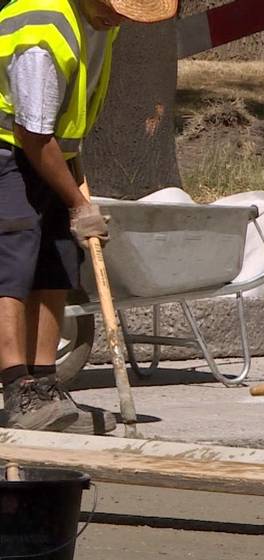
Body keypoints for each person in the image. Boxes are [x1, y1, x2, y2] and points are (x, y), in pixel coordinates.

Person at [0, 0, 177, 434]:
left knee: (56, 263)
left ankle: (44, 385)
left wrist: (75, 184)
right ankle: (15, 388)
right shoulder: (42, 33)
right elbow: (33, 133)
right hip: (8, 152)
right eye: (113, 7)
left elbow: (59, 128)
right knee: (11, 266)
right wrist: (79, 204)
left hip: (51, 154)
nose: (119, 17)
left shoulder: (97, 21)